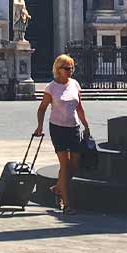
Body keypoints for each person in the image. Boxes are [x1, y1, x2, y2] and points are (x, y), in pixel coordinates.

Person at [34, 54, 91, 212]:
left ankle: (59, 187)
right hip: (57, 128)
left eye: (72, 67)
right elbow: (42, 108)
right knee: (64, 165)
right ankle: (66, 204)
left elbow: (79, 107)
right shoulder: (51, 87)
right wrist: (40, 126)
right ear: (58, 70)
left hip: (74, 127)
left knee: (74, 164)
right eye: (67, 68)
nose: (70, 71)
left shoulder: (75, 84)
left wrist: (86, 126)